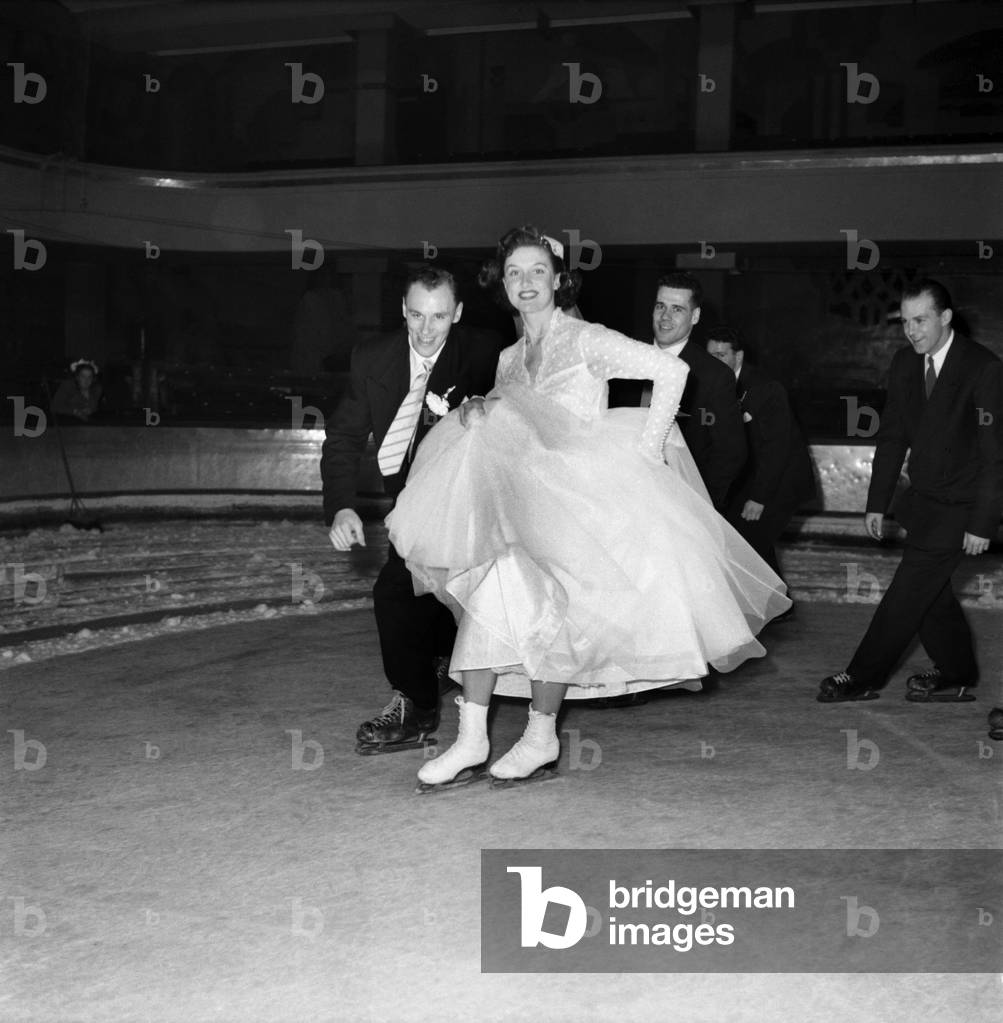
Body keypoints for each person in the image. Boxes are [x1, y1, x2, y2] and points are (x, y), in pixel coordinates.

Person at [386, 227, 790, 790]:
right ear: (502, 285)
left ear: (557, 278)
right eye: (514, 273)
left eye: (536, 271)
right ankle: (472, 738)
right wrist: (481, 408)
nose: (525, 283)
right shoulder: (507, 357)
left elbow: (671, 372)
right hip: (518, 504)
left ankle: (539, 734)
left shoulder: (584, 338)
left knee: (556, 618)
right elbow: (511, 421)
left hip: (577, 507)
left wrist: (647, 453)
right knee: (488, 607)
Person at [321, 265, 501, 753]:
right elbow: (341, 438)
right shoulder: (370, 358)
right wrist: (341, 507)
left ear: (457, 313)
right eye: (417, 315)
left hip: (471, 499)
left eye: (439, 317)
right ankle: (422, 695)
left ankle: (429, 686)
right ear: (403, 310)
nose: (426, 330)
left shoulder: (484, 355)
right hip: (411, 502)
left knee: (412, 593)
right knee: (404, 592)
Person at [818, 278, 1003, 704]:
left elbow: (996, 455)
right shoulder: (904, 363)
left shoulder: (983, 367)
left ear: (945, 318)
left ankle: (861, 676)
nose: (912, 330)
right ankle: (957, 673)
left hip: (962, 505)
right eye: (905, 322)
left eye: (921, 320)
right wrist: (876, 504)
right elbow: (892, 437)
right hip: (923, 502)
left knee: (906, 591)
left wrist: (982, 522)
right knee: (931, 595)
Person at [608, 272, 746, 511]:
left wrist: (700, 504)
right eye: (660, 306)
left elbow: (730, 452)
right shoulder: (623, 358)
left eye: (677, 309)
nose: (665, 317)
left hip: (681, 503)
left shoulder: (713, 376)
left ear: (695, 316)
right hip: (620, 493)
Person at [705, 326, 815, 587]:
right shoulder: (712, 385)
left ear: (738, 357)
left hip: (781, 481)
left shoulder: (766, 388)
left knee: (747, 539)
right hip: (751, 478)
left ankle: (771, 606)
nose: (712, 362)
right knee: (743, 539)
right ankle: (778, 604)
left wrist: (759, 498)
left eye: (720, 355)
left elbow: (777, 448)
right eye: (709, 355)